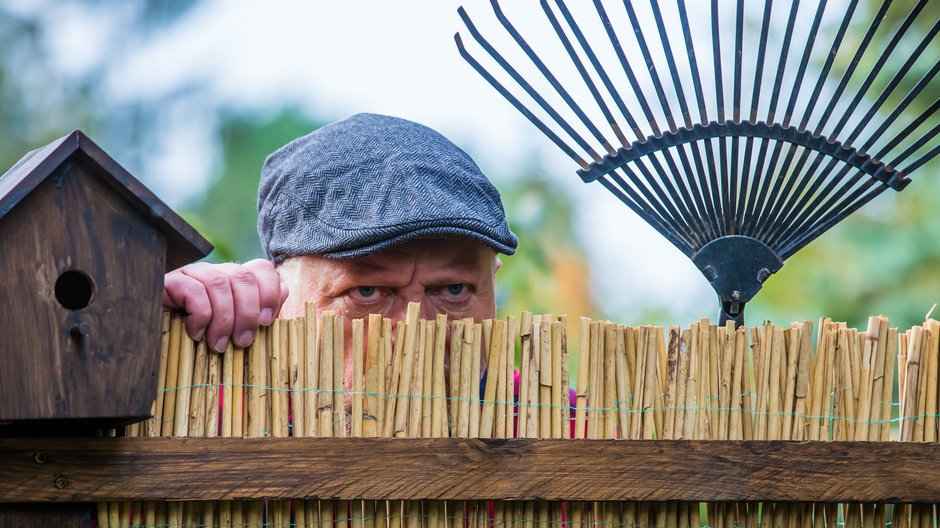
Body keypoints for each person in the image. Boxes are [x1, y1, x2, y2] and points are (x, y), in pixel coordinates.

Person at [163, 113, 518, 352]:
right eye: (366, 293)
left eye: (454, 290)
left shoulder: (560, 426)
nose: (415, 336)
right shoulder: (201, 412)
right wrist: (146, 326)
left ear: (493, 281)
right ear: (278, 293)